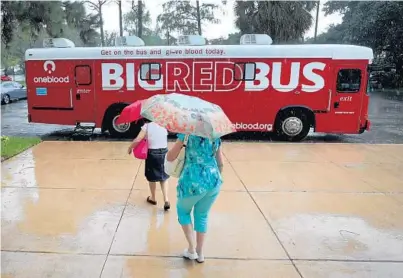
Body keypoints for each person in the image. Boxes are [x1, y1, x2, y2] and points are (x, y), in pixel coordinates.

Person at [166, 134, 224, 263]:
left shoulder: (186, 134)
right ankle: (200, 252)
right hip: (213, 181)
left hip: (191, 182)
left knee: (183, 211)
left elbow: (171, 156)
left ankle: (191, 249)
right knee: (202, 215)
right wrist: (213, 178)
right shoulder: (215, 136)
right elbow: (221, 163)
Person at [128, 119, 170, 210]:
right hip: (164, 152)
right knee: (164, 176)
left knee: (152, 177)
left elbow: (138, 139)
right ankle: (166, 200)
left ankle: (153, 198)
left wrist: (130, 147)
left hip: (152, 153)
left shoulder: (147, 126)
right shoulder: (164, 124)